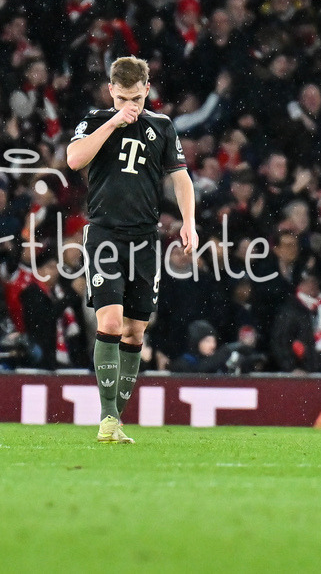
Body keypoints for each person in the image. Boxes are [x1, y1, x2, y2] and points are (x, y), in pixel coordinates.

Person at [67, 55, 197, 444]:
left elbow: (181, 178)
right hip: (105, 233)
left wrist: (188, 221)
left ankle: (116, 420)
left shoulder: (162, 126)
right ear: (111, 91)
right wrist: (112, 121)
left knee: (136, 332)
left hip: (145, 239)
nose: (131, 106)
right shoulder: (94, 120)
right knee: (109, 323)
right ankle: (107, 417)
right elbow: (74, 160)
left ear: (147, 89)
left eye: (137, 98)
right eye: (123, 98)